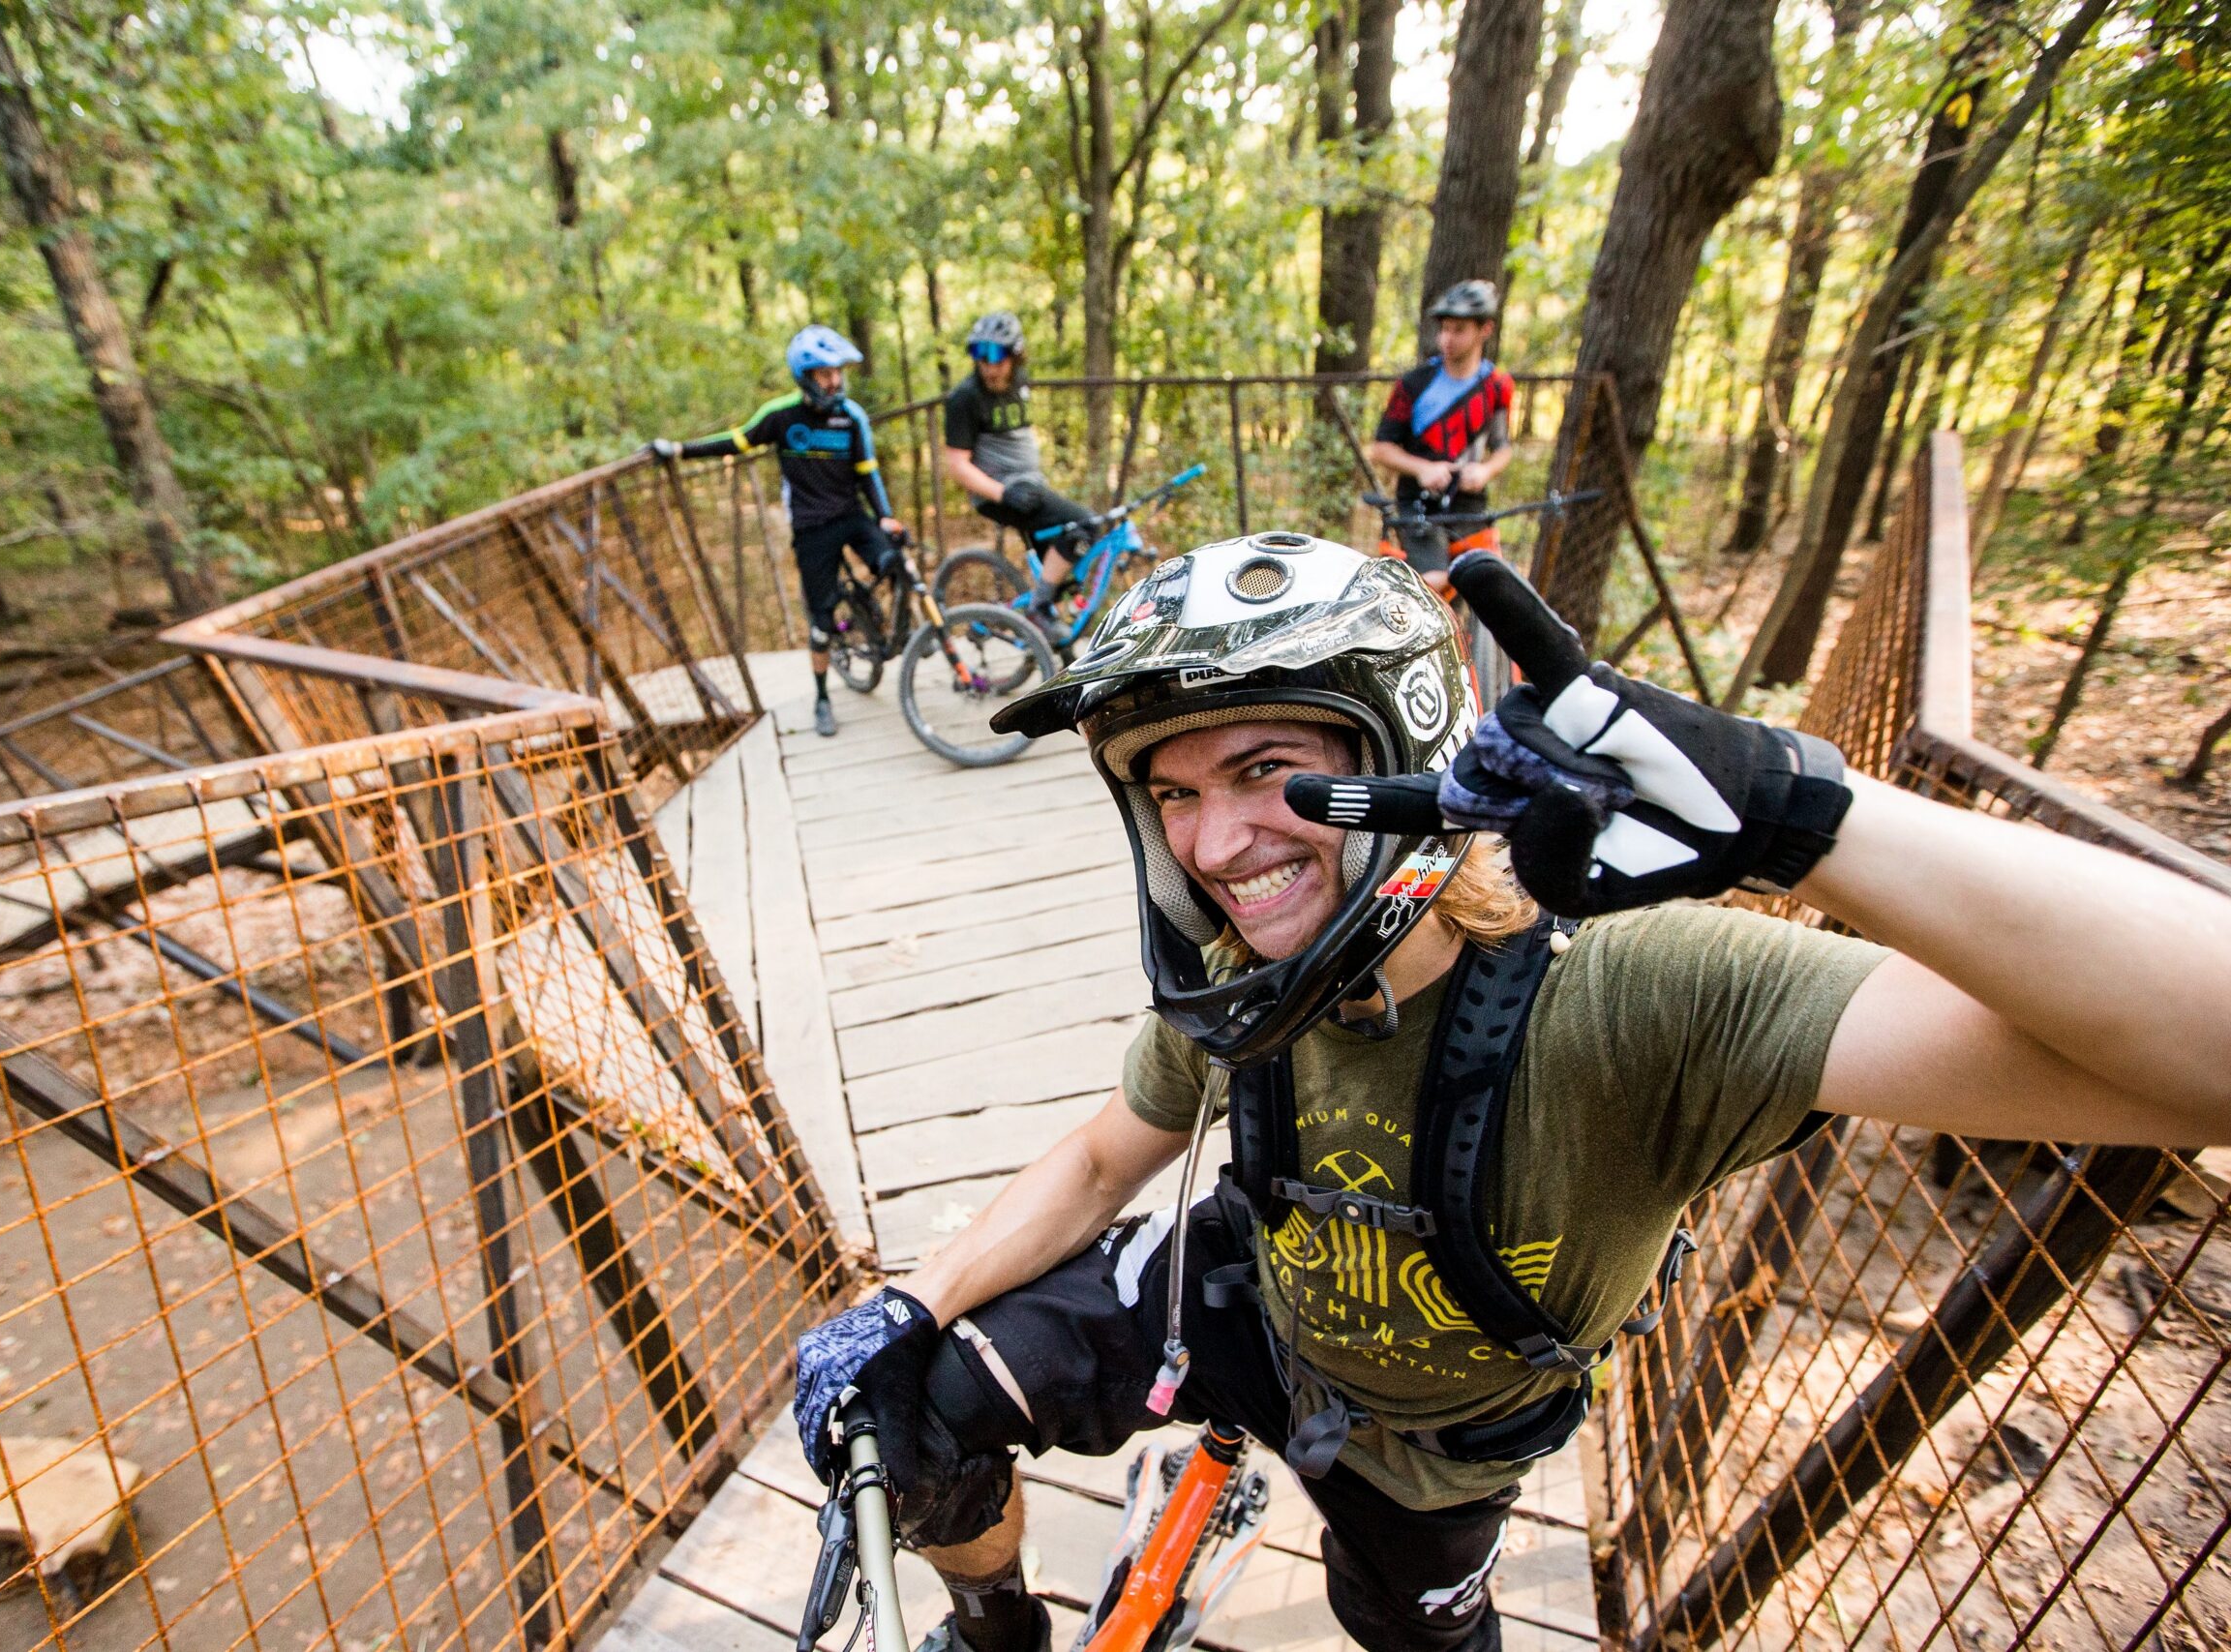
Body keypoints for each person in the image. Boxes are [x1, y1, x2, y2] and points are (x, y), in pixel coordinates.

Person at [789, 531, 2231, 1652]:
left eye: (1268, 770)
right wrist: (909, 1305)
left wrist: (1811, 819)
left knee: (1411, 1627)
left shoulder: (1634, 996)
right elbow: (1112, 1155)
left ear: (1398, 755)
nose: (1217, 840)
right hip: (1250, 1296)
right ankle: (999, 1630)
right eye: (1170, 791)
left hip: (1434, 1454)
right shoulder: (1241, 981)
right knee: (912, 1407)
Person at [653, 325, 903, 737]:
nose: (835, 381)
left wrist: (886, 516)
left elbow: (868, 473)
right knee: (821, 624)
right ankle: (823, 698)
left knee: (895, 558)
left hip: (852, 515)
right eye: (826, 374)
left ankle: (883, 621)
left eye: (838, 372)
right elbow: (737, 441)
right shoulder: (782, 416)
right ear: (806, 376)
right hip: (811, 528)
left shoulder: (851, 416)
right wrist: (680, 450)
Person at [940, 312, 1095, 636]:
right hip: (1000, 493)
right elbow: (956, 465)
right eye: (979, 354)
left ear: (1015, 355)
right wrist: (1003, 493)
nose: (988, 364)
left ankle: (1049, 633)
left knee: (1062, 579)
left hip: (1030, 485)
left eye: (996, 355)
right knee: (1084, 525)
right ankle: (1037, 609)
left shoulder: (1020, 380)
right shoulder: (965, 398)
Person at [1366, 281, 1516, 594]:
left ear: (1484, 330)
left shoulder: (1497, 386)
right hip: (1419, 505)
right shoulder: (1414, 385)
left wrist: (1485, 470)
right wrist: (1422, 469)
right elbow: (1380, 449)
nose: (1448, 338)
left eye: (1459, 330)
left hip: (1470, 506)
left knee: (1488, 587)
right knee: (1434, 583)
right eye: (1445, 329)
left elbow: (1503, 447)